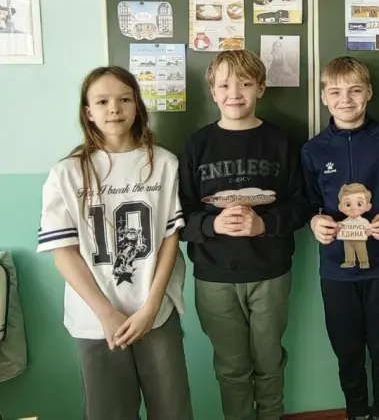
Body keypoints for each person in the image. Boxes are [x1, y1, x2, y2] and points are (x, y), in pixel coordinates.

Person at [36, 66, 192, 420]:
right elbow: (63, 252)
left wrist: (151, 306)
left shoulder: (164, 163)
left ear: (137, 106)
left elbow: (170, 239)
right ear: (88, 112)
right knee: (109, 412)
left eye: (124, 99)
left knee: (173, 409)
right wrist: (105, 313)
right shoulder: (67, 173)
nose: (114, 109)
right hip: (95, 318)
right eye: (102, 101)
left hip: (155, 313)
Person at [179, 50, 308, 420]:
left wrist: (264, 224)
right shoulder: (196, 146)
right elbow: (179, 216)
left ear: (261, 88)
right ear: (213, 92)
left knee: (269, 361)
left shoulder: (282, 142)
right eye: (224, 85)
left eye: (245, 84)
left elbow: (302, 205)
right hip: (214, 276)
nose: (234, 93)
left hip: (270, 272)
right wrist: (212, 225)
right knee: (232, 368)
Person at [302, 56, 379, 420]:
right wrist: (315, 221)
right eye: (335, 92)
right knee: (347, 351)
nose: (345, 99)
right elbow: (308, 202)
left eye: (355, 90)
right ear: (323, 98)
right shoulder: (313, 150)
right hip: (338, 271)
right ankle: (357, 412)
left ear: (369, 93)